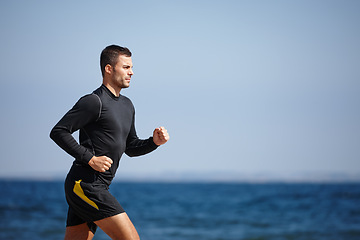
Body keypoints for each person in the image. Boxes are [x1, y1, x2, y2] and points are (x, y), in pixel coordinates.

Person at [50, 45, 169, 240]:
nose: (131, 72)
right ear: (108, 68)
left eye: (132, 67)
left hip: (98, 186)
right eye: (126, 67)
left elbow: (130, 147)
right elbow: (59, 131)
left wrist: (153, 142)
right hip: (85, 185)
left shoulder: (127, 105)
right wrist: (90, 159)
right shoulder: (93, 102)